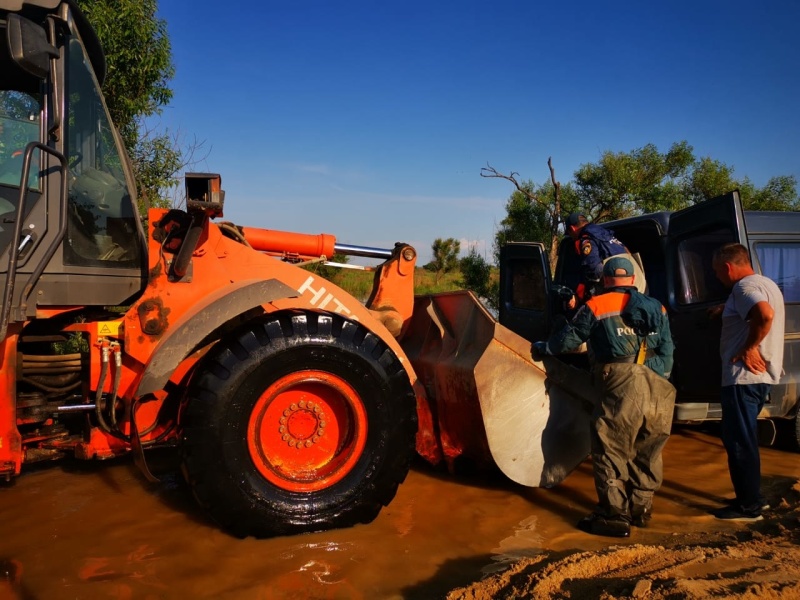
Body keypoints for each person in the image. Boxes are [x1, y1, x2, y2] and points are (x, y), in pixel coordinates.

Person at [534, 256, 675, 537]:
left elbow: (569, 339)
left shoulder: (598, 304)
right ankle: (641, 510)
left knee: (609, 448)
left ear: (606, 280)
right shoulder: (657, 307)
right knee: (648, 450)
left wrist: (545, 347)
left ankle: (613, 516)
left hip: (621, 384)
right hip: (661, 387)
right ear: (633, 280)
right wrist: (647, 371)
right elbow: (668, 353)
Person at [710, 243, 785, 522]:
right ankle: (749, 497)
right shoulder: (766, 283)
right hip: (757, 379)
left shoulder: (743, 288)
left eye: (718, 272)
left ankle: (750, 506)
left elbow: (764, 314)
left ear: (728, 267)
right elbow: (757, 310)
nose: (718, 277)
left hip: (743, 378)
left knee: (740, 442)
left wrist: (749, 347)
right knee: (744, 439)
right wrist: (724, 309)